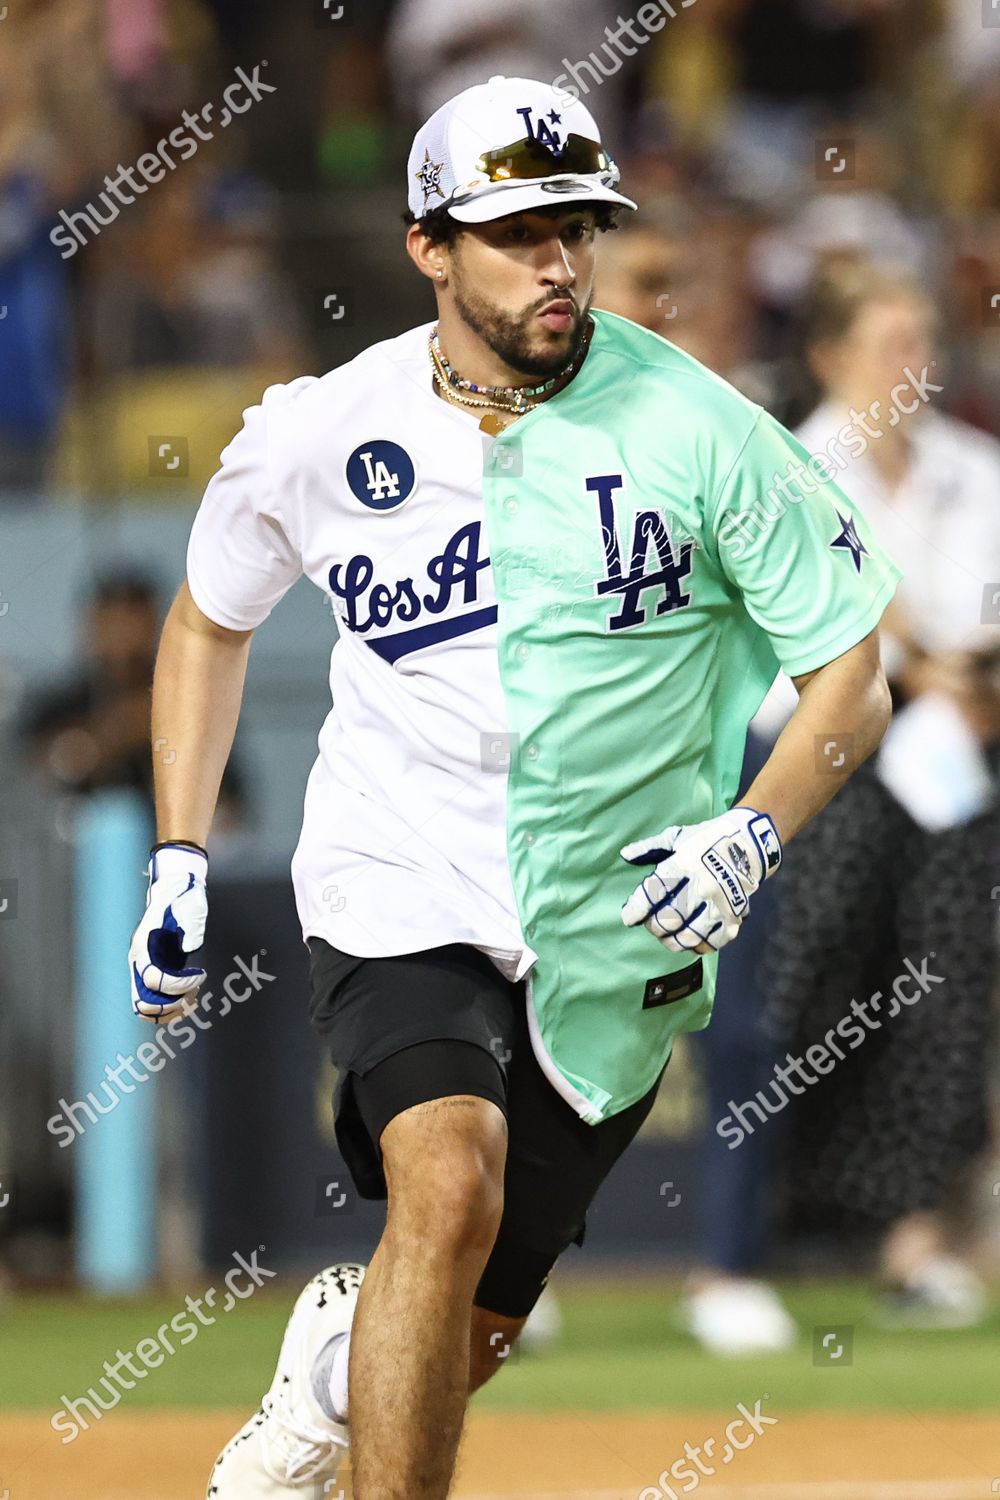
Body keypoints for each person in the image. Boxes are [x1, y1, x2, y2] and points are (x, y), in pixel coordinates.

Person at [127, 76, 898, 1500]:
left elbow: (855, 677)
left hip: (621, 920)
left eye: (578, 228)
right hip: (399, 874)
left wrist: (751, 833)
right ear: (429, 246)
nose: (558, 261)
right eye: (516, 232)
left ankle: (328, 1371)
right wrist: (179, 854)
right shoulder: (318, 431)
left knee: (465, 1331)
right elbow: (206, 621)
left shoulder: (706, 431)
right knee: (449, 1175)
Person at [760, 263, 1000, 1326]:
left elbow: (969, 618)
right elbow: (787, 646)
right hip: (826, 768)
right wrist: (912, 663)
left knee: (947, 994)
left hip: (953, 764)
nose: (917, 362)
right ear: (830, 356)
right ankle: (785, 1215)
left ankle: (913, 1237)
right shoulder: (784, 468)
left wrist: (931, 663)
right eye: (889, 341)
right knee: (808, 981)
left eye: (922, 339)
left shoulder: (974, 469)